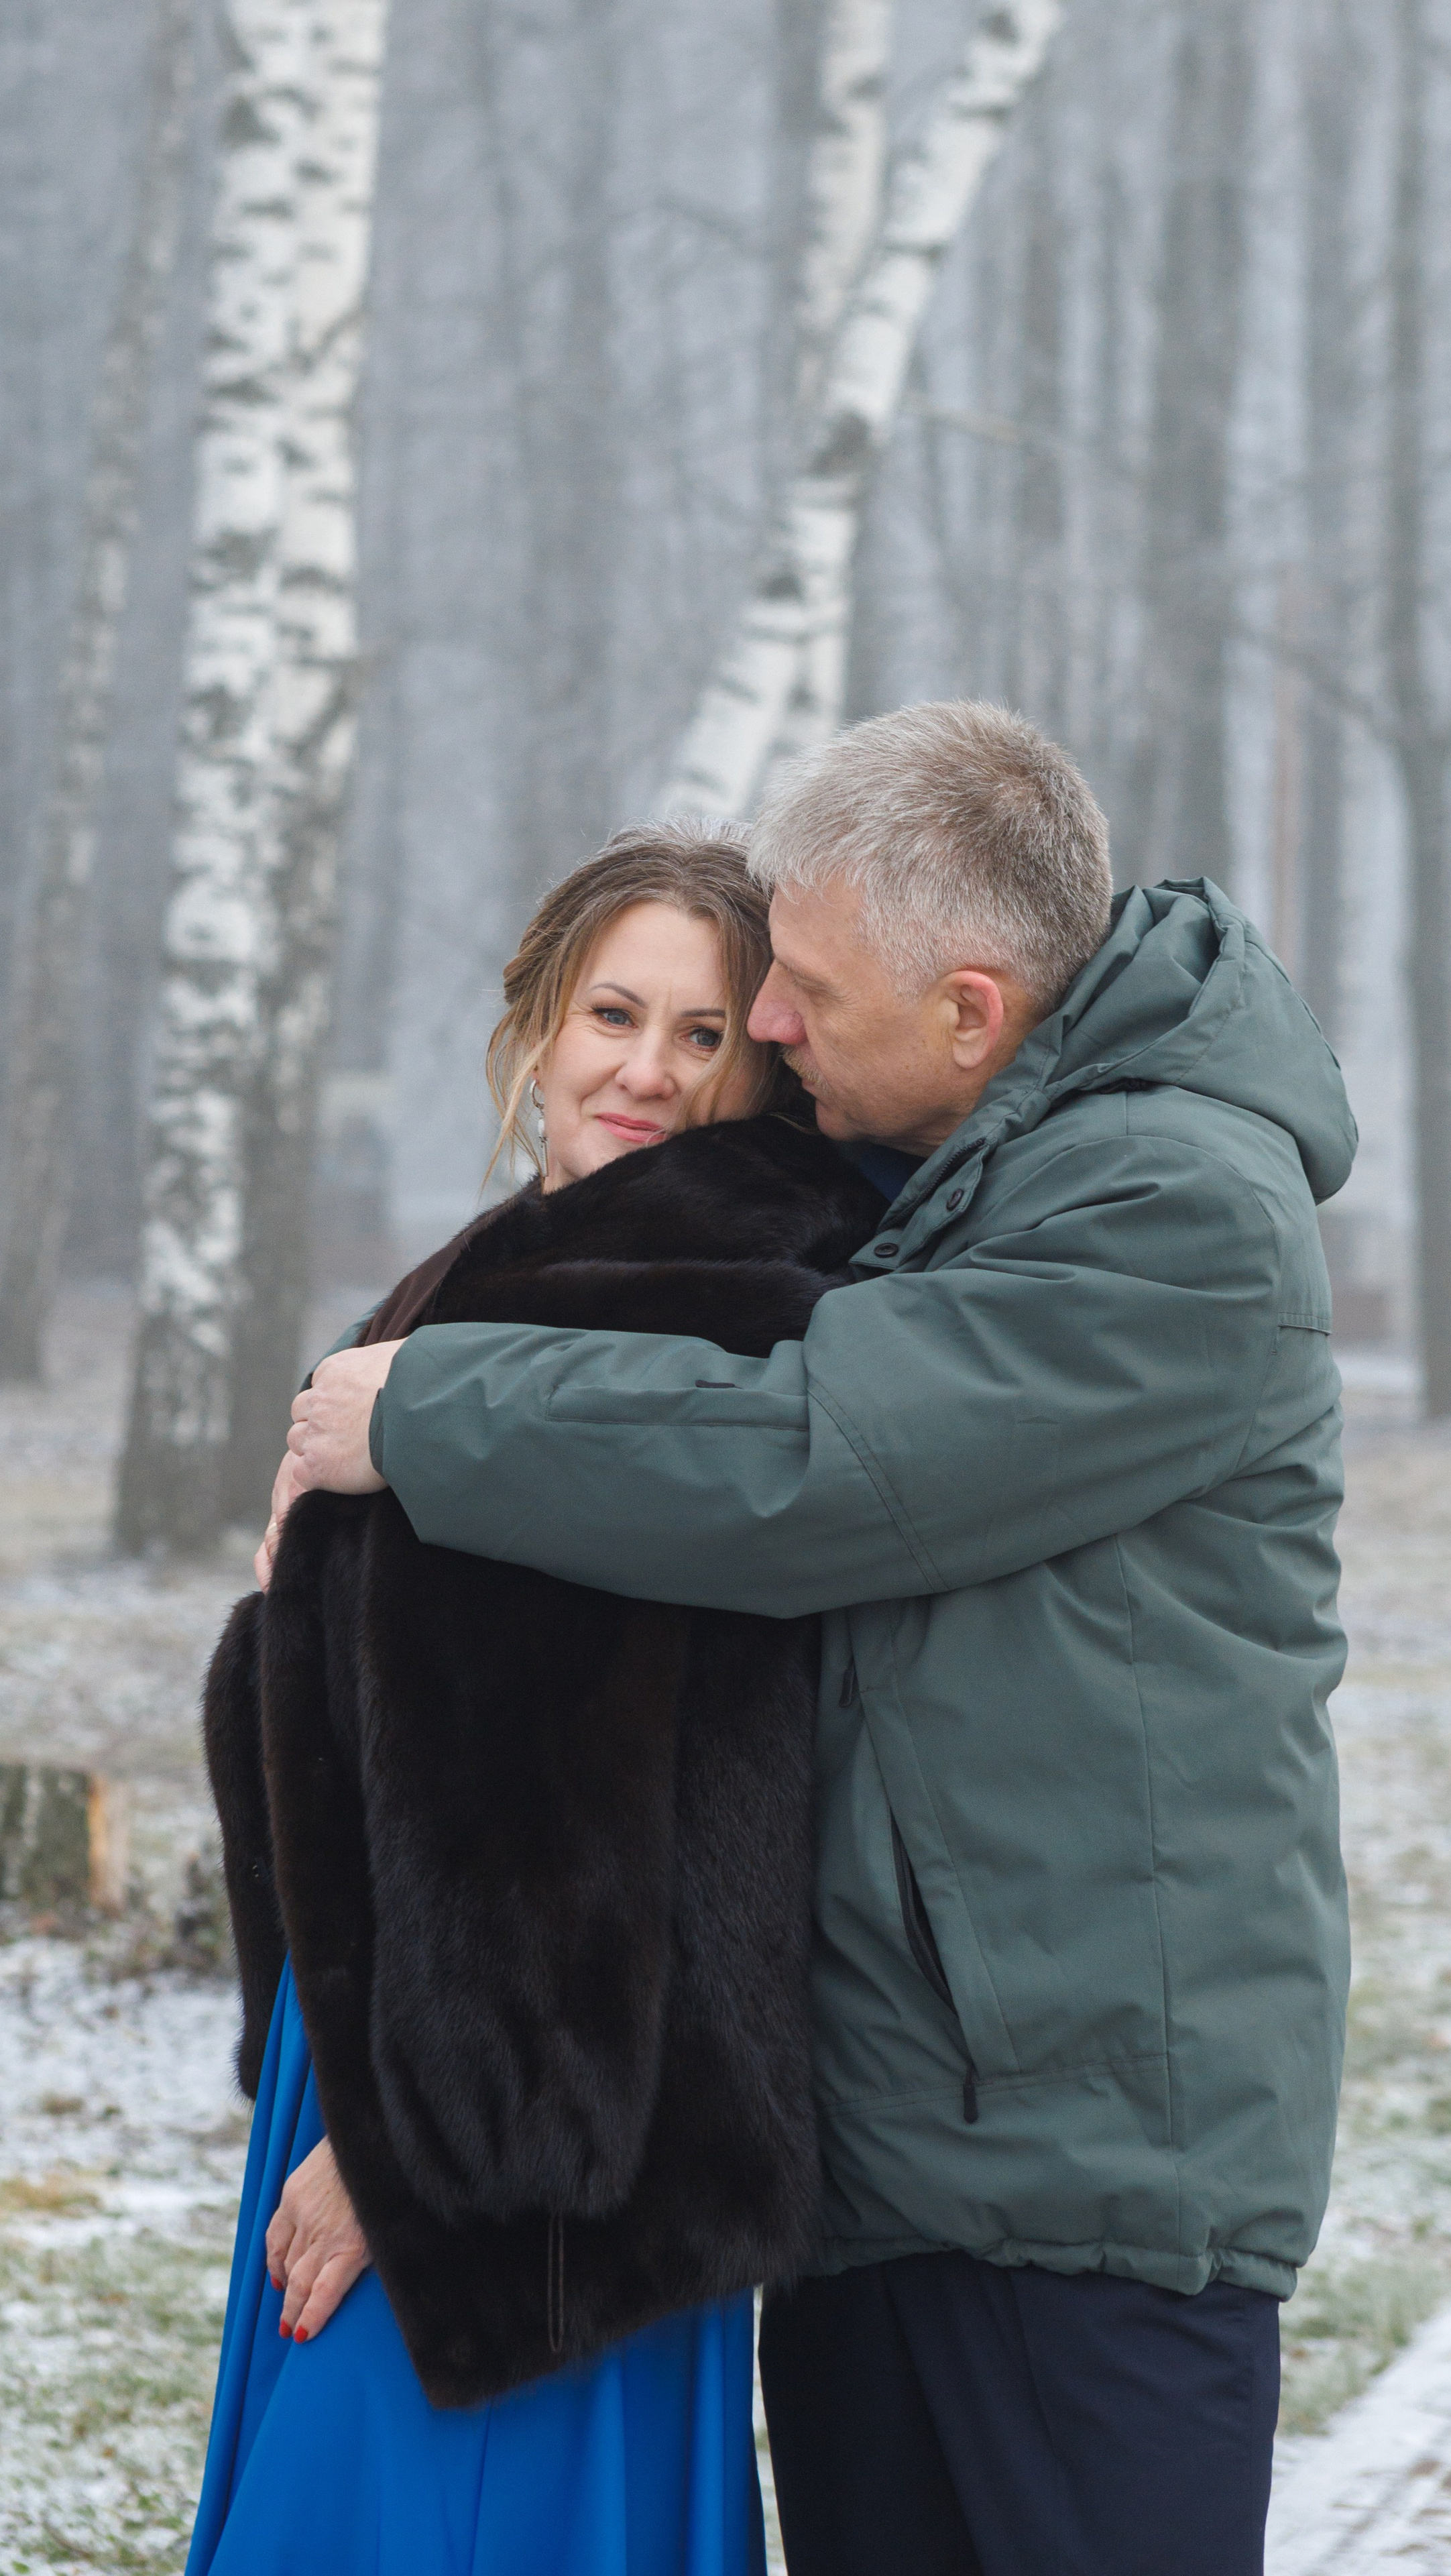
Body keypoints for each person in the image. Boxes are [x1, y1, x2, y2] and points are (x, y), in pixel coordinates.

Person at [285, 701, 1358, 2576]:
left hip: (1079, 2173)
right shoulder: (958, 1167)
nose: (765, 1032)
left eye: (794, 992)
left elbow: (813, 1462)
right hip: (894, 2156)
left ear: (970, 1007)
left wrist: (427, 1414)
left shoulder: (1175, 1209)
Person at [189, 821, 846, 2576]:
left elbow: (576, 1814)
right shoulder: (495, 1283)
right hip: (425, 2065)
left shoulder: (668, 1312)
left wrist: (408, 2167)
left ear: (755, 1071)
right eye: (611, 1009)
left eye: (702, 1033)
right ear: (536, 1019)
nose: (642, 1066)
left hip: (535, 2150)